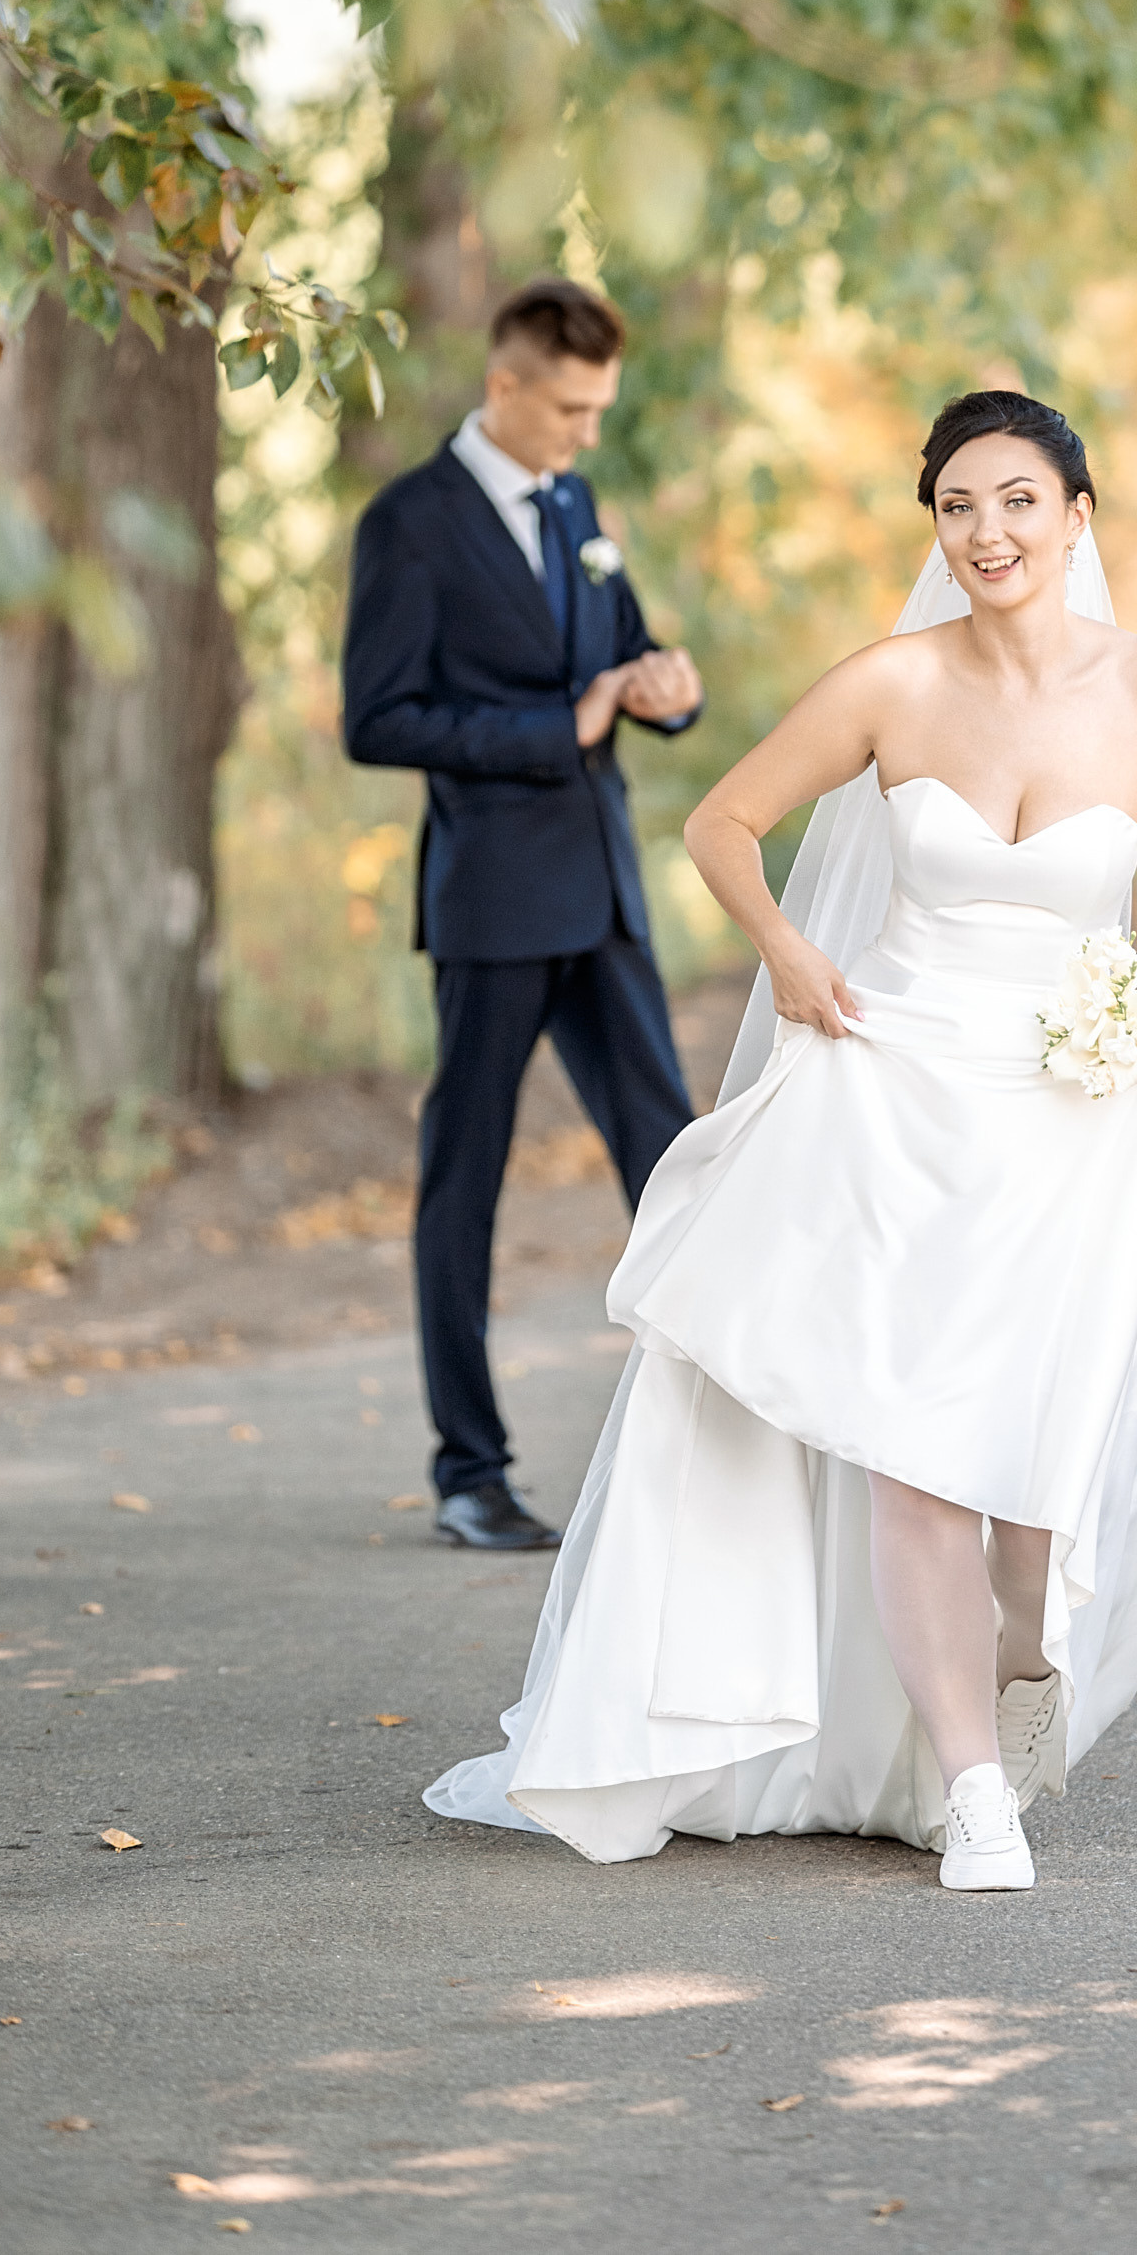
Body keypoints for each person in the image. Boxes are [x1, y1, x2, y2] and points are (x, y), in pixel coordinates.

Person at [424, 389, 1137, 1885]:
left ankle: (1027, 1663)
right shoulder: (892, 687)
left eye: (1017, 501)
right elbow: (720, 822)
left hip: (1076, 1114)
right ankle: (970, 1793)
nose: (988, 532)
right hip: (893, 1096)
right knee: (914, 1454)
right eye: (958, 507)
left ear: (1076, 515)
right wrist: (787, 950)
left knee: (1039, 1477)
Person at [342, 275, 704, 1554]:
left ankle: (726, 1436)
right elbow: (375, 719)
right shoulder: (410, 523)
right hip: (491, 901)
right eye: (569, 407)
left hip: (601, 888)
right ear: (504, 385)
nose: (585, 433)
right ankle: (468, 1469)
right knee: (466, 1185)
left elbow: (622, 644)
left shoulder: (576, 502)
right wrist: (563, 725)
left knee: (679, 1166)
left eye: (597, 408)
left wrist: (663, 684)